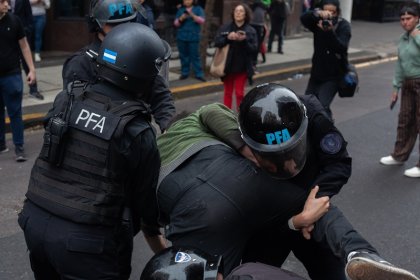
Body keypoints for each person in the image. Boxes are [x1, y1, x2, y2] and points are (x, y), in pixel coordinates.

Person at [155, 84, 419, 279]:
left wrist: (312, 201)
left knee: (330, 269)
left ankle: (362, 255)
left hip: (307, 207)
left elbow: (339, 164)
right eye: (271, 157)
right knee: (253, 270)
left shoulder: (313, 115)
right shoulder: (243, 124)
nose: (288, 164)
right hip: (266, 213)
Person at [18, 22, 169, 279]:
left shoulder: (67, 98)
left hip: (35, 223)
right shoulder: (136, 130)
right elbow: (146, 207)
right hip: (85, 242)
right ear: (143, 74)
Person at [62, 0, 175, 133]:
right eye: (114, 24)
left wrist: (170, 128)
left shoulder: (138, 54)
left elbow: (160, 95)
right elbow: (74, 110)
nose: (122, 28)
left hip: (135, 136)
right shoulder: (81, 63)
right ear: (98, 25)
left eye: (128, 22)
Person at [379, 2, 420, 178]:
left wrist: (417, 36)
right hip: (408, 84)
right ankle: (399, 155)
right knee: (404, 120)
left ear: (417, 18)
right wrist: (396, 87)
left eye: (409, 18)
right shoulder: (403, 39)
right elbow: (399, 65)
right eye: (402, 19)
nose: (405, 22)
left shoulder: (417, 35)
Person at [300, 0, 351, 120]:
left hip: (333, 76)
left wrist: (329, 32)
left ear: (337, 12)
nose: (329, 14)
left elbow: (341, 48)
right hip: (316, 73)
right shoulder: (318, 22)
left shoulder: (343, 25)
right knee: (306, 105)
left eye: (332, 12)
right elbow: (303, 18)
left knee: (322, 106)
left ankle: (329, 133)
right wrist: (316, 13)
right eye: (326, 11)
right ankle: (312, 133)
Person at [0, 0, 36, 162]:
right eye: (2, 2)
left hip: (12, 74)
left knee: (15, 112)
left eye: (7, 1)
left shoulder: (14, 21)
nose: (6, 4)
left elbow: (24, 46)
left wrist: (31, 70)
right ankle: (1, 145)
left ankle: (19, 147)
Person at [213, 3, 258, 110]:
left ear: (246, 14)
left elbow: (254, 49)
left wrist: (244, 40)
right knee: (227, 93)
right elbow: (217, 42)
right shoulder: (225, 27)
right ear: (233, 13)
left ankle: (240, 115)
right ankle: (226, 116)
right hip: (227, 66)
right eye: (236, 11)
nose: (238, 13)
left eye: (241, 11)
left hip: (242, 67)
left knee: (239, 93)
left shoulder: (250, 30)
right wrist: (228, 38)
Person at [11, 0, 44, 100]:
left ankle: (33, 89)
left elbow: (29, 14)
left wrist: (27, 30)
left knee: (27, 61)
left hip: (21, 34)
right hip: (5, 36)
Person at [174, 0, 206, 82]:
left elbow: (202, 21)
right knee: (183, 56)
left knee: (195, 56)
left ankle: (199, 74)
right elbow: (176, 23)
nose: (187, 1)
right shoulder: (181, 10)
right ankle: (184, 73)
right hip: (182, 36)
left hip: (193, 36)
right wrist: (181, 18)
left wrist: (192, 15)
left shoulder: (198, 9)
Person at [250, 0, 267, 66]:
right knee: (259, 44)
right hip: (260, 26)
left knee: (253, 43)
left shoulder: (253, 7)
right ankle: (255, 60)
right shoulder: (263, 8)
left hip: (252, 25)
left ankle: (252, 59)